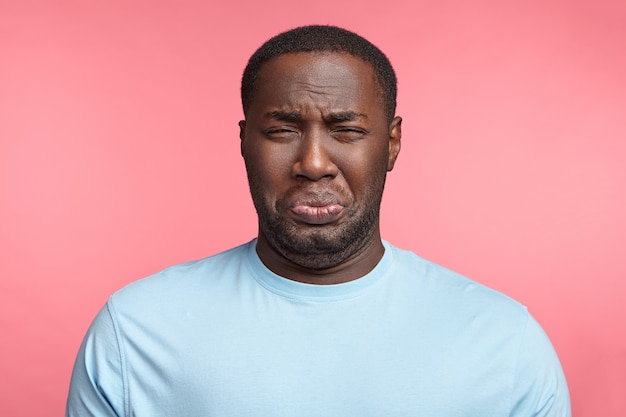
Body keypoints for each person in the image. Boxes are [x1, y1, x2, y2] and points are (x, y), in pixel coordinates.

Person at [66, 25, 571, 416]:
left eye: (346, 130)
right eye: (282, 129)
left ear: (391, 144)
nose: (312, 162)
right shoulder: (135, 329)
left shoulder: (503, 341)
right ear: (244, 142)